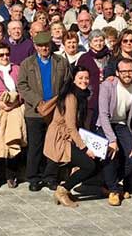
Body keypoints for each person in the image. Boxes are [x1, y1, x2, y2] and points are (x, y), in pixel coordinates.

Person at [17, 31, 71, 192]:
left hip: (55, 110)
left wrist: (59, 101)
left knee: (53, 144)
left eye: (46, 45)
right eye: (40, 46)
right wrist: (37, 101)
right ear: (35, 46)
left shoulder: (61, 62)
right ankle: (33, 177)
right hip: (35, 111)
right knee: (35, 145)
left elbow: (67, 82)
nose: (44, 48)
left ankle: (50, 177)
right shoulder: (27, 64)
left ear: (51, 45)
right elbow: (22, 85)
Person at [44, 66, 98, 208]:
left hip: (71, 137)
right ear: (73, 79)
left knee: (90, 163)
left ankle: (64, 190)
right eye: (80, 78)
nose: (84, 81)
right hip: (60, 138)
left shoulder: (82, 95)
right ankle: (62, 191)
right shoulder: (71, 97)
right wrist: (85, 148)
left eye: (86, 78)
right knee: (89, 165)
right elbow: (71, 127)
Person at [98, 59, 132, 206]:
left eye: (130, 71)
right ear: (117, 73)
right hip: (105, 125)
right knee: (111, 153)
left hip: (122, 125)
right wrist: (112, 139)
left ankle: (109, 184)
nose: (127, 74)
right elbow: (103, 113)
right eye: (123, 71)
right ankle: (113, 190)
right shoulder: (107, 86)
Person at [0, 42, 26, 189]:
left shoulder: (16, 69)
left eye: (6, 54)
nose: (4, 57)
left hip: (15, 110)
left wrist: (17, 101)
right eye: (1, 55)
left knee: (12, 141)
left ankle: (11, 174)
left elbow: (23, 87)